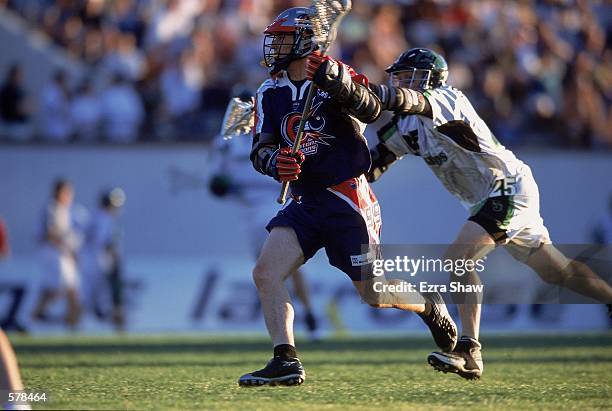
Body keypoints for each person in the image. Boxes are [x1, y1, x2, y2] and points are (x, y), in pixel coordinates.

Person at [238, 9, 457, 387]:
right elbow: (261, 150)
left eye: (284, 39)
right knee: (265, 272)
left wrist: (337, 83)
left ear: (305, 41)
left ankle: (429, 305)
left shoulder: (334, 72)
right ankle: (286, 360)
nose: (275, 47)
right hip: (305, 200)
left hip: (346, 197)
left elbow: (372, 109)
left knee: (374, 293)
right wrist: (277, 163)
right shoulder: (268, 92)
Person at [367, 47, 612, 380]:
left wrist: (363, 92)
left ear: (431, 78)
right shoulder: (406, 124)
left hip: (506, 188)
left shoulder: (446, 98)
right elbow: (374, 163)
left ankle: (469, 351)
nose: (401, 83)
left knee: (458, 259)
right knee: (558, 273)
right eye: (399, 77)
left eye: (408, 77)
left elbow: (410, 102)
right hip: (488, 198)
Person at [209, 91, 320, 341]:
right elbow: (216, 181)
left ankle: (309, 315)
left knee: (281, 264)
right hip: (248, 210)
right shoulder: (225, 143)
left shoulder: (273, 133)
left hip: (275, 204)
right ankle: (297, 318)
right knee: (270, 268)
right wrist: (220, 185)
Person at [31, 179, 81, 329]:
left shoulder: (64, 209)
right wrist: (67, 249)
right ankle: (33, 316)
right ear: (60, 193)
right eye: (68, 193)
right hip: (55, 255)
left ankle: (73, 326)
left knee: (72, 290)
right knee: (58, 289)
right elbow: (50, 234)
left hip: (62, 255)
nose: (70, 196)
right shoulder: (52, 208)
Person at [80, 188, 126, 331]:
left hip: (87, 261)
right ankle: (118, 328)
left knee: (86, 299)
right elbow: (105, 243)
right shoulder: (105, 219)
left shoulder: (93, 216)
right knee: (109, 299)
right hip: (99, 262)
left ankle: (74, 329)